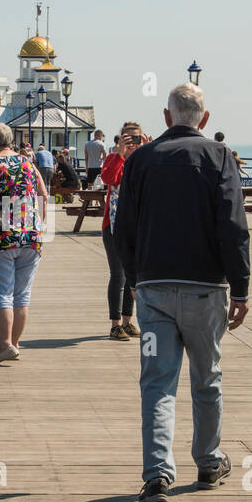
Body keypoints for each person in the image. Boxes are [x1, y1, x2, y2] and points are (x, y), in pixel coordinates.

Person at [114, 83, 249, 502]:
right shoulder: (219, 156)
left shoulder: (142, 161)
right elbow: (233, 225)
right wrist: (241, 287)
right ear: (204, 119)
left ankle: (157, 474)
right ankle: (209, 461)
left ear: (167, 117)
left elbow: (123, 230)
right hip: (205, 290)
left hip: (153, 292)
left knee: (157, 381)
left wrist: (136, 278)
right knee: (207, 377)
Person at [0, 122, 47, 364]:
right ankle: (15, 343)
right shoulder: (28, 163)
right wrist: (37, 224)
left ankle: (4, 344)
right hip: (31, 236)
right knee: (21, 295)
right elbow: (44, 195)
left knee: (0, 292)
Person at [100, 122, 145, 341]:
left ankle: (128, 320)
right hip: (114, 225)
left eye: (135, 138)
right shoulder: (113, 158)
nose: (131, 143)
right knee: (118, 274)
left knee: (132, 276)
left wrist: (150, 149)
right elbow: (109, 179)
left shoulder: (145, 160)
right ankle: (115, 324)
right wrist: (120, 154)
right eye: (127, 138)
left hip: (137, 226)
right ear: (119, 139)